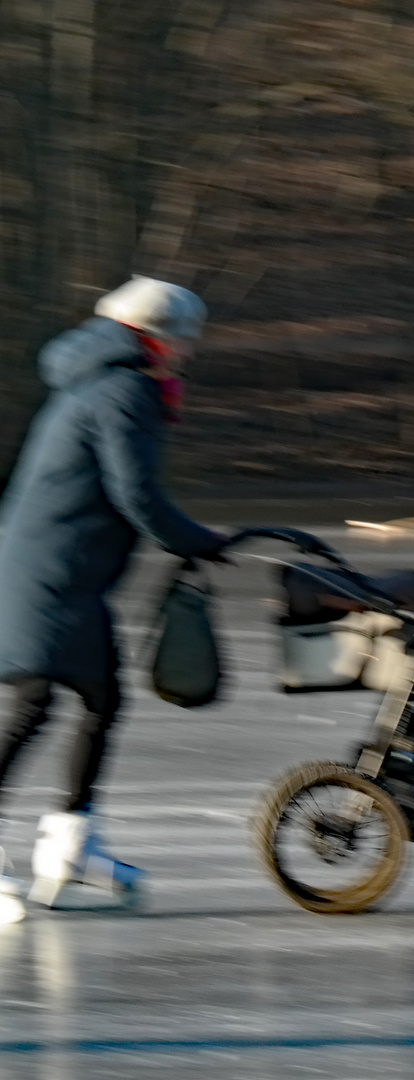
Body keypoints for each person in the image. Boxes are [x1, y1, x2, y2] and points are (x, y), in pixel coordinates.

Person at [0, 276, 228, 916]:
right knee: (33, 700)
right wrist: (196, 541)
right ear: (150, 335)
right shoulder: (125, 388)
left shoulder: (103, 377)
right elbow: (136, 493)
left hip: (65, 568)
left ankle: (70, 845)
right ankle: (64, 843)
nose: (187, 351)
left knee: (102, 697)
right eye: (182, 338)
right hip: (48, 570)